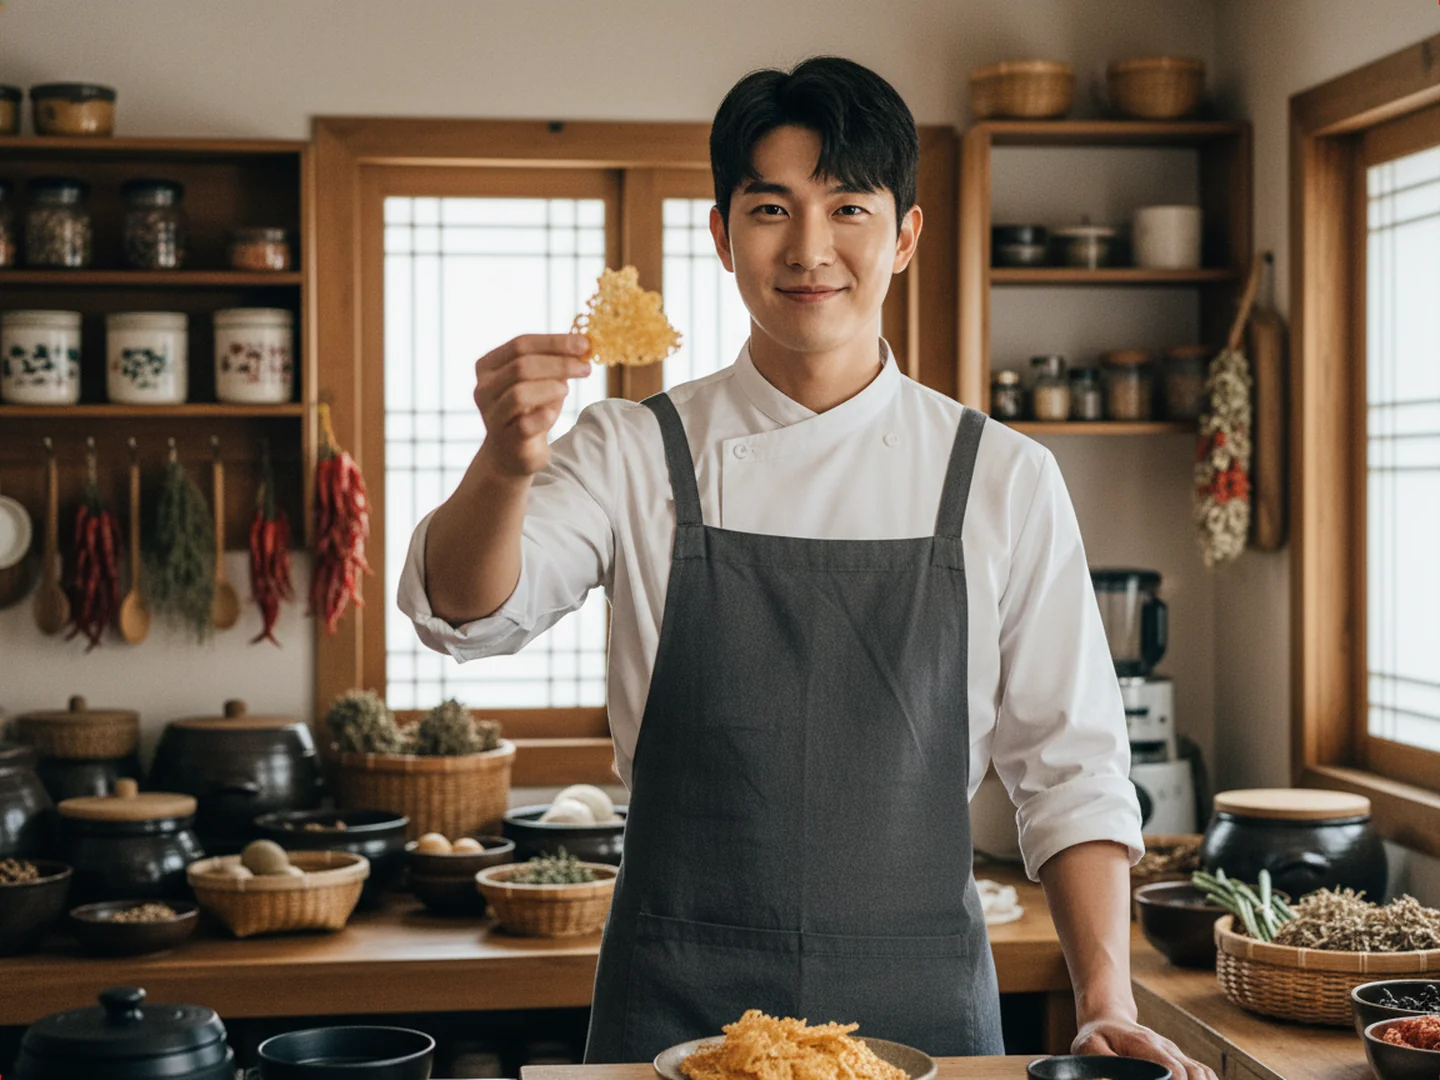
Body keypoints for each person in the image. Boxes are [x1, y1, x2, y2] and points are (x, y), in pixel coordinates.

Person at [400, 56, 1215, 1079]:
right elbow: (464, 613)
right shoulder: (633, 449)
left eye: (849, 209)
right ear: (723, 237)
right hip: (672, 1010)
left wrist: (1105, 999)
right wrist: (503, 469)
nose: (810, 249)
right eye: (772, 209)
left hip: (923, 1010)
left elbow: (1073, 773)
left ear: (905, 237)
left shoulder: (1001, 476)